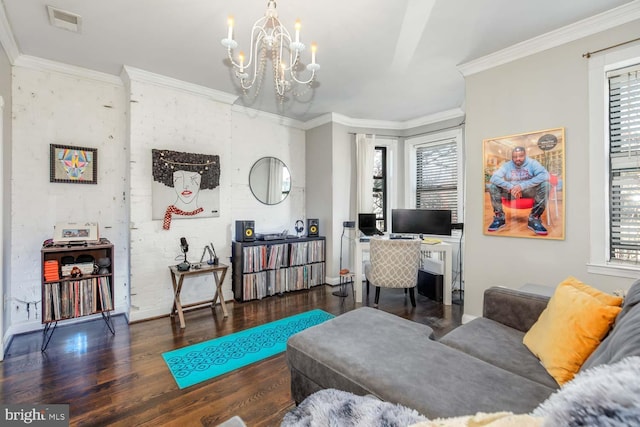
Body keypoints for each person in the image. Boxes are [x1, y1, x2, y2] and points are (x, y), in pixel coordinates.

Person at [487, 146, 550, 235]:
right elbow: (494, 178)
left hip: (529, 191)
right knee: (493, 186)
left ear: (525, 155)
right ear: (512, 157)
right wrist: (511, 187)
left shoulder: (532, 163)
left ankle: (534, 218)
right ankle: (499, 217)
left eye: (521, 156)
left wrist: (522, 186)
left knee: (546, 185)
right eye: (515, 157)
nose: (518, 159)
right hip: (511, 192)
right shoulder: (507, 165)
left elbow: (545, 175)